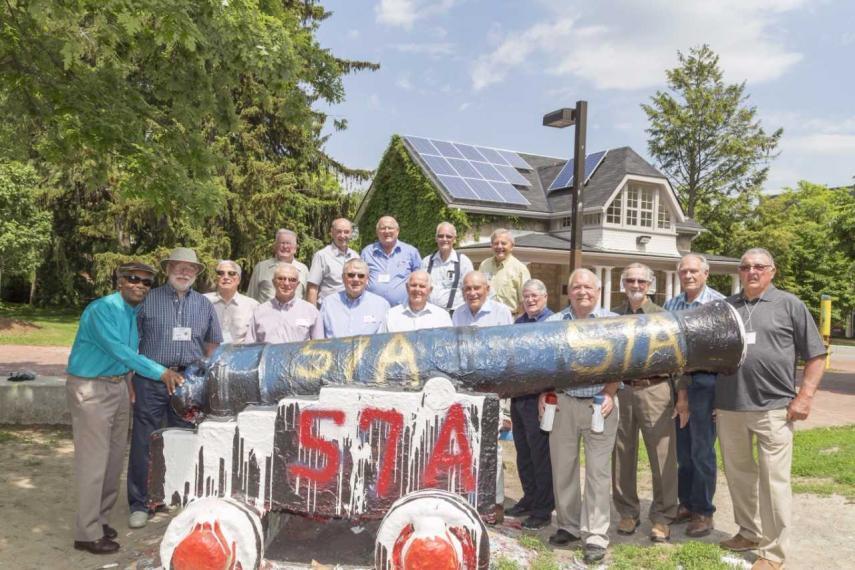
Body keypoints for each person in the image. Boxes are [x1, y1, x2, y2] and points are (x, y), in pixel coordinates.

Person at [716, 248, 826, 570]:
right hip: (730, 407)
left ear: (772, 271)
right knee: (738, 476)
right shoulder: (727, 307)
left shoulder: (790, 305)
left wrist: (805, 396)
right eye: (746, 266)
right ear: (740, 271)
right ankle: (749, 532)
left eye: (759, 267)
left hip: (774, 409)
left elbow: (816, 355)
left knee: (774, 482)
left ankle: (773, 553)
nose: (752, 271)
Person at [65, 262, 184, 555]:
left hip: (117, 386)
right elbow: (121, 351)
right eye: (132, 279)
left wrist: (128, 381)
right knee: (94, 461)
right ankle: (87, 532)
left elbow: (128, 357)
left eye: (145, 282)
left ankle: (100, 520)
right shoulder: (102, 309)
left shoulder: (132, 313)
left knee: (114, 459)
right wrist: (161, 372)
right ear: (119, 281)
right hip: (91, 387)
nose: (139, 285)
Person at [127, 248, 222, 529]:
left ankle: (179, 496)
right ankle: (141, 503)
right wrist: (131, 376)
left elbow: (212, 343)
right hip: (151, 379)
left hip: (188, 383)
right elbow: (131, 342)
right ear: (168, 269)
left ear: (196, 273)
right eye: (179, 267)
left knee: (186, 439)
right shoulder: (148, 300)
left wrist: (201, 373)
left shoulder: (204, 305)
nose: (184, 272)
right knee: (146, 441)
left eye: (190, 268)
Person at [541, 268, 619, 564]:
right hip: (563, 403)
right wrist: (544, 394)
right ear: (568, 291)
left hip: (601, 404)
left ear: (597, 291)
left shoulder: (613, 322)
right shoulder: (553, 323)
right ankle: (569, 527)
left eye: (587, 287)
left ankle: (596, 535)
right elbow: (543, 364)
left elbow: (624, 363)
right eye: (576, 287)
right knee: (564, 467)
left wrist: (610, 392)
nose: (582, 291)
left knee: (598, 472)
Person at [611, 263, 678, 542]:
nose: (635, 285)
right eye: (630, 281)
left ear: (650, 285)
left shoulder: (664, 317)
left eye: (641, 281)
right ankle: (628, 512)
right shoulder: (613, 317)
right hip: (622, 391)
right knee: (621, 454)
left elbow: (678, 360)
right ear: (623, 284)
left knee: (662, 456)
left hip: (656, 390)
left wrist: (681, 396)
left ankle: (662, 517)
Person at [663, 253, 726, 537]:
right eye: (684, 271)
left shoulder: (719, 304)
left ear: (706, 273)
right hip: (679, 384)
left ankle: (703, 511)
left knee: (702, 451)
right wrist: (680, 392)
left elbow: (726, 354)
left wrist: (720, 399)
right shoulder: (672, 304)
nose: (688, 275)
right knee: (684, 452)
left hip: (706, 385)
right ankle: (686, 503)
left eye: (694, 271)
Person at [452, 270, 513, 525]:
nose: (472, 293)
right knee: (464, 445)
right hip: (466, 389)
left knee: (493, 450)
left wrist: (505, 401)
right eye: (467, 288)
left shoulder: (501, 313)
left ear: (487, 288)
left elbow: (508, 354)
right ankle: (467, 499)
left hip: (492, 389)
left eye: (477, 288)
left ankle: (495, 503)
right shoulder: (458, 314)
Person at [506, 279, 555, 530]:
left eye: (535, 295)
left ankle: (543, 509)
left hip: (541, 399)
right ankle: (529, 497)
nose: (530, 300)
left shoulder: (553, 323)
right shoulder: (518, 323)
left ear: (545, 297)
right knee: (523, 453)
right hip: (519, 398)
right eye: (526, 296)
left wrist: (545, 395)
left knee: (541, 455)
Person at [245, 263, 324, 342]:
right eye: (281, 278)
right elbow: (249, 347)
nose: (286, 283)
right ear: (273, 282)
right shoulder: (259, 312)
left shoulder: (311, 312)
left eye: (292, 280)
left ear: (297, 284)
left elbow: (319, 347)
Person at [320, 258, 390, 338]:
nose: (356, 279)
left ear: (367, 279)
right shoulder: (328, 304)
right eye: (351, 275)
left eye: (361, 276)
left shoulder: (381, 305)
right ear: (343, 277)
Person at [361, 215, 421, 307]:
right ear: (377, 232)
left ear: (397, 231)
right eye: (383, 228)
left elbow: (420, 279)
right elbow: (360, 278)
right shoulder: (367, 252)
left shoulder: (411, 252)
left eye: (390, 228)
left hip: (402, 308)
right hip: (372, 307)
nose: (387, 231)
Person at [421, 222, 473, 314]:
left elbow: (469, 289)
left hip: (455, 313)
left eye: (448, 236)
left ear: (454, 239)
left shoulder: (463, 262)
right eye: (441, 236)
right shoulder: (426, 261)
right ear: (436, 238)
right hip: (430, 313)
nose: (444, 239)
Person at [306, 218, 359, 307]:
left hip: (351, 309)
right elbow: (312, 288)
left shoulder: (355, 256)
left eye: (346, 232)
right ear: (332, 232)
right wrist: (313, 316)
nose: (343, 235)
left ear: (351, 234)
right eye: (339, 232)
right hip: (328, 309)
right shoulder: (322, 256)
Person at [378, 270, 452, 333]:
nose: (417, 289)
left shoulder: (442, 316)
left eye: (422, 286)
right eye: (413, 285)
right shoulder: (391, 315)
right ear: (407, 288)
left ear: (430, 290)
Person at [247, 229, 309, 303]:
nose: (285, 246)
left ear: (295, 248)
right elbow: (250, 298)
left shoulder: (303, 269)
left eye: (289, 243)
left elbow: (307, 300)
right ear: (275, 246)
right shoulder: (261, 267)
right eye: (282, 243)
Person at [204, 260, 259, 344]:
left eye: (232, 273)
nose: (225, 277)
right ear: (216, 278)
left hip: (240, 355)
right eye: (221, 273)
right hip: (208, 355)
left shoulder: (252, 306)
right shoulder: (203, 301)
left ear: (239, 280)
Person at [478, 228, 530, 315]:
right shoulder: (484, 265)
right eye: (496, 243)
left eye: (503, 243)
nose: (499, 246)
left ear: (512, 246)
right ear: (491, 245)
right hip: (485, 318)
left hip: (509, 320)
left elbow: (524, 302)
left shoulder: (520, 269)